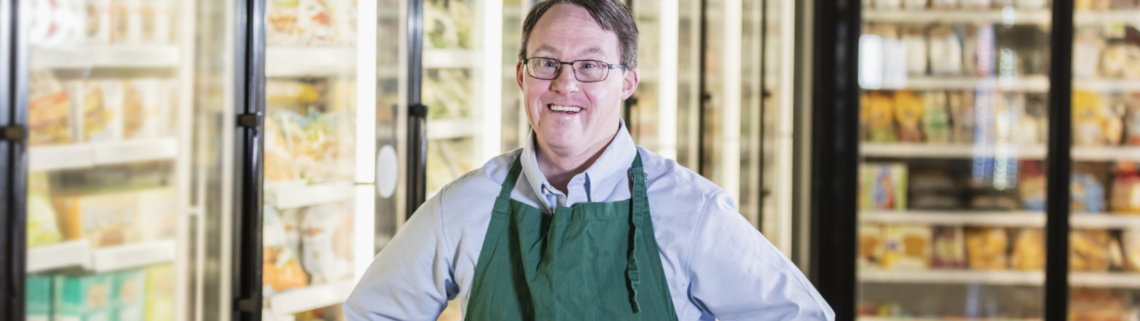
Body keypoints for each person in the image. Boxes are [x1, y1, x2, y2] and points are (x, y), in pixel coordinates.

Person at [345, 0, 834, 319]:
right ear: (522, 75)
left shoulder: (691, 211)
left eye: (591, 66)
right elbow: (374, 311)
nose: (565, 84)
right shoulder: (466, 205)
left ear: (627, 81)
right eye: (547, 63)